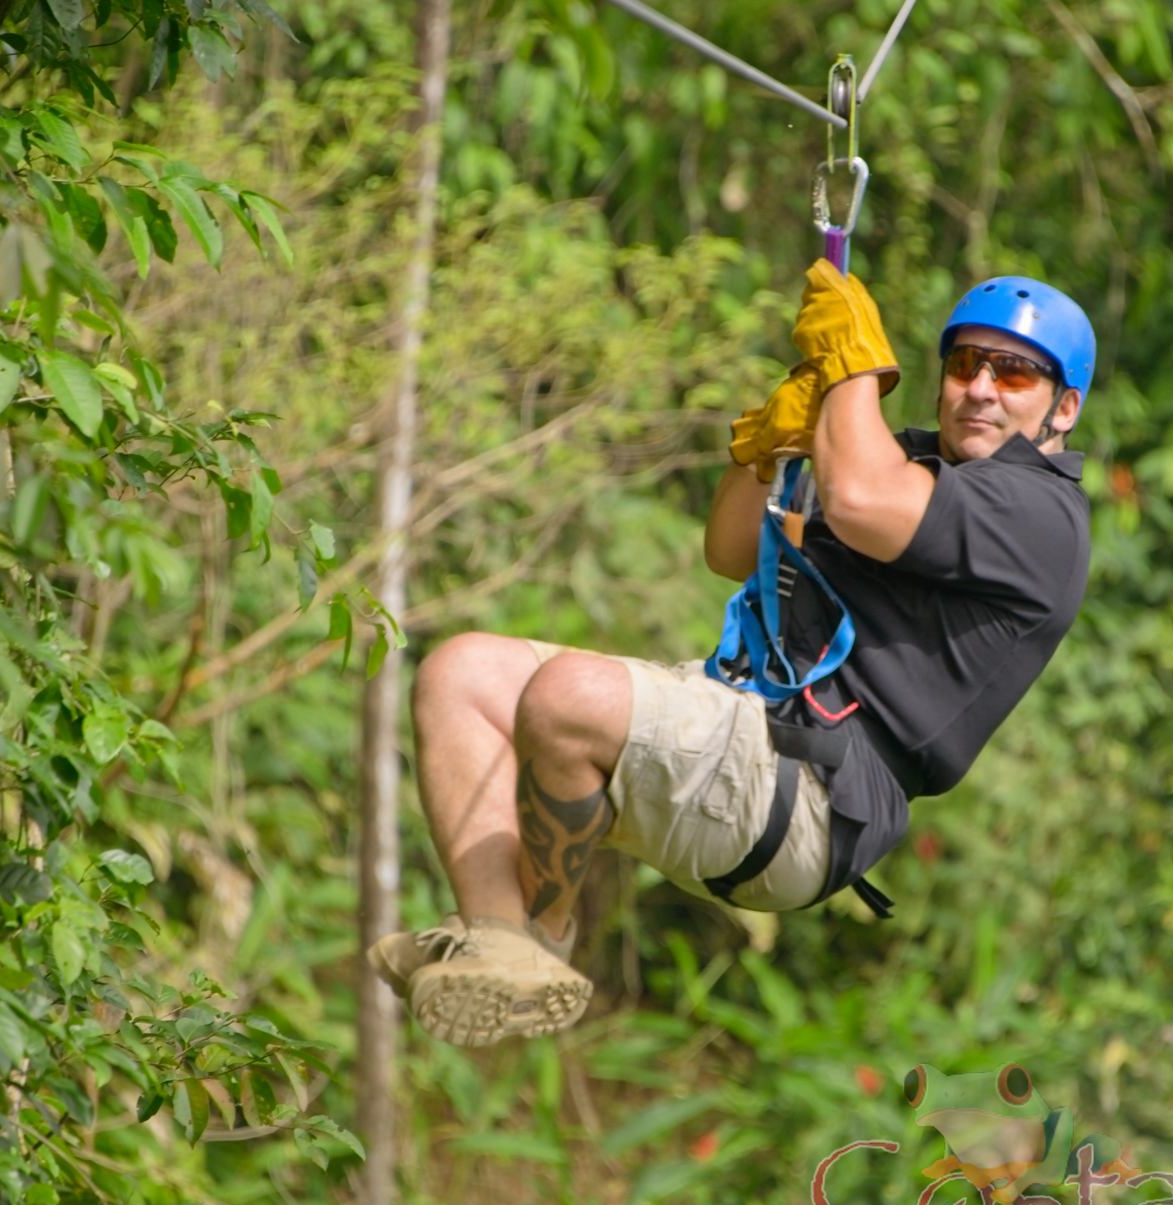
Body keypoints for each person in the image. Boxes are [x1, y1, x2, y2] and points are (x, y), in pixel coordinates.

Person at [368, 260, 1096, 1047]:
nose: (980, 388)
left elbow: (857, 503)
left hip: (813, 792)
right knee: (460, 673)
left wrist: (853, 367)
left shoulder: (1040, 513)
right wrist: (767, 452)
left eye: (1014, 374)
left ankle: (541, 934)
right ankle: (500, 940)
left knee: (567, 694)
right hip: (743, 725)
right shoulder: (908, 462)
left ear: (1065, 407)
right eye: (964, 365)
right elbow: (728, 548)